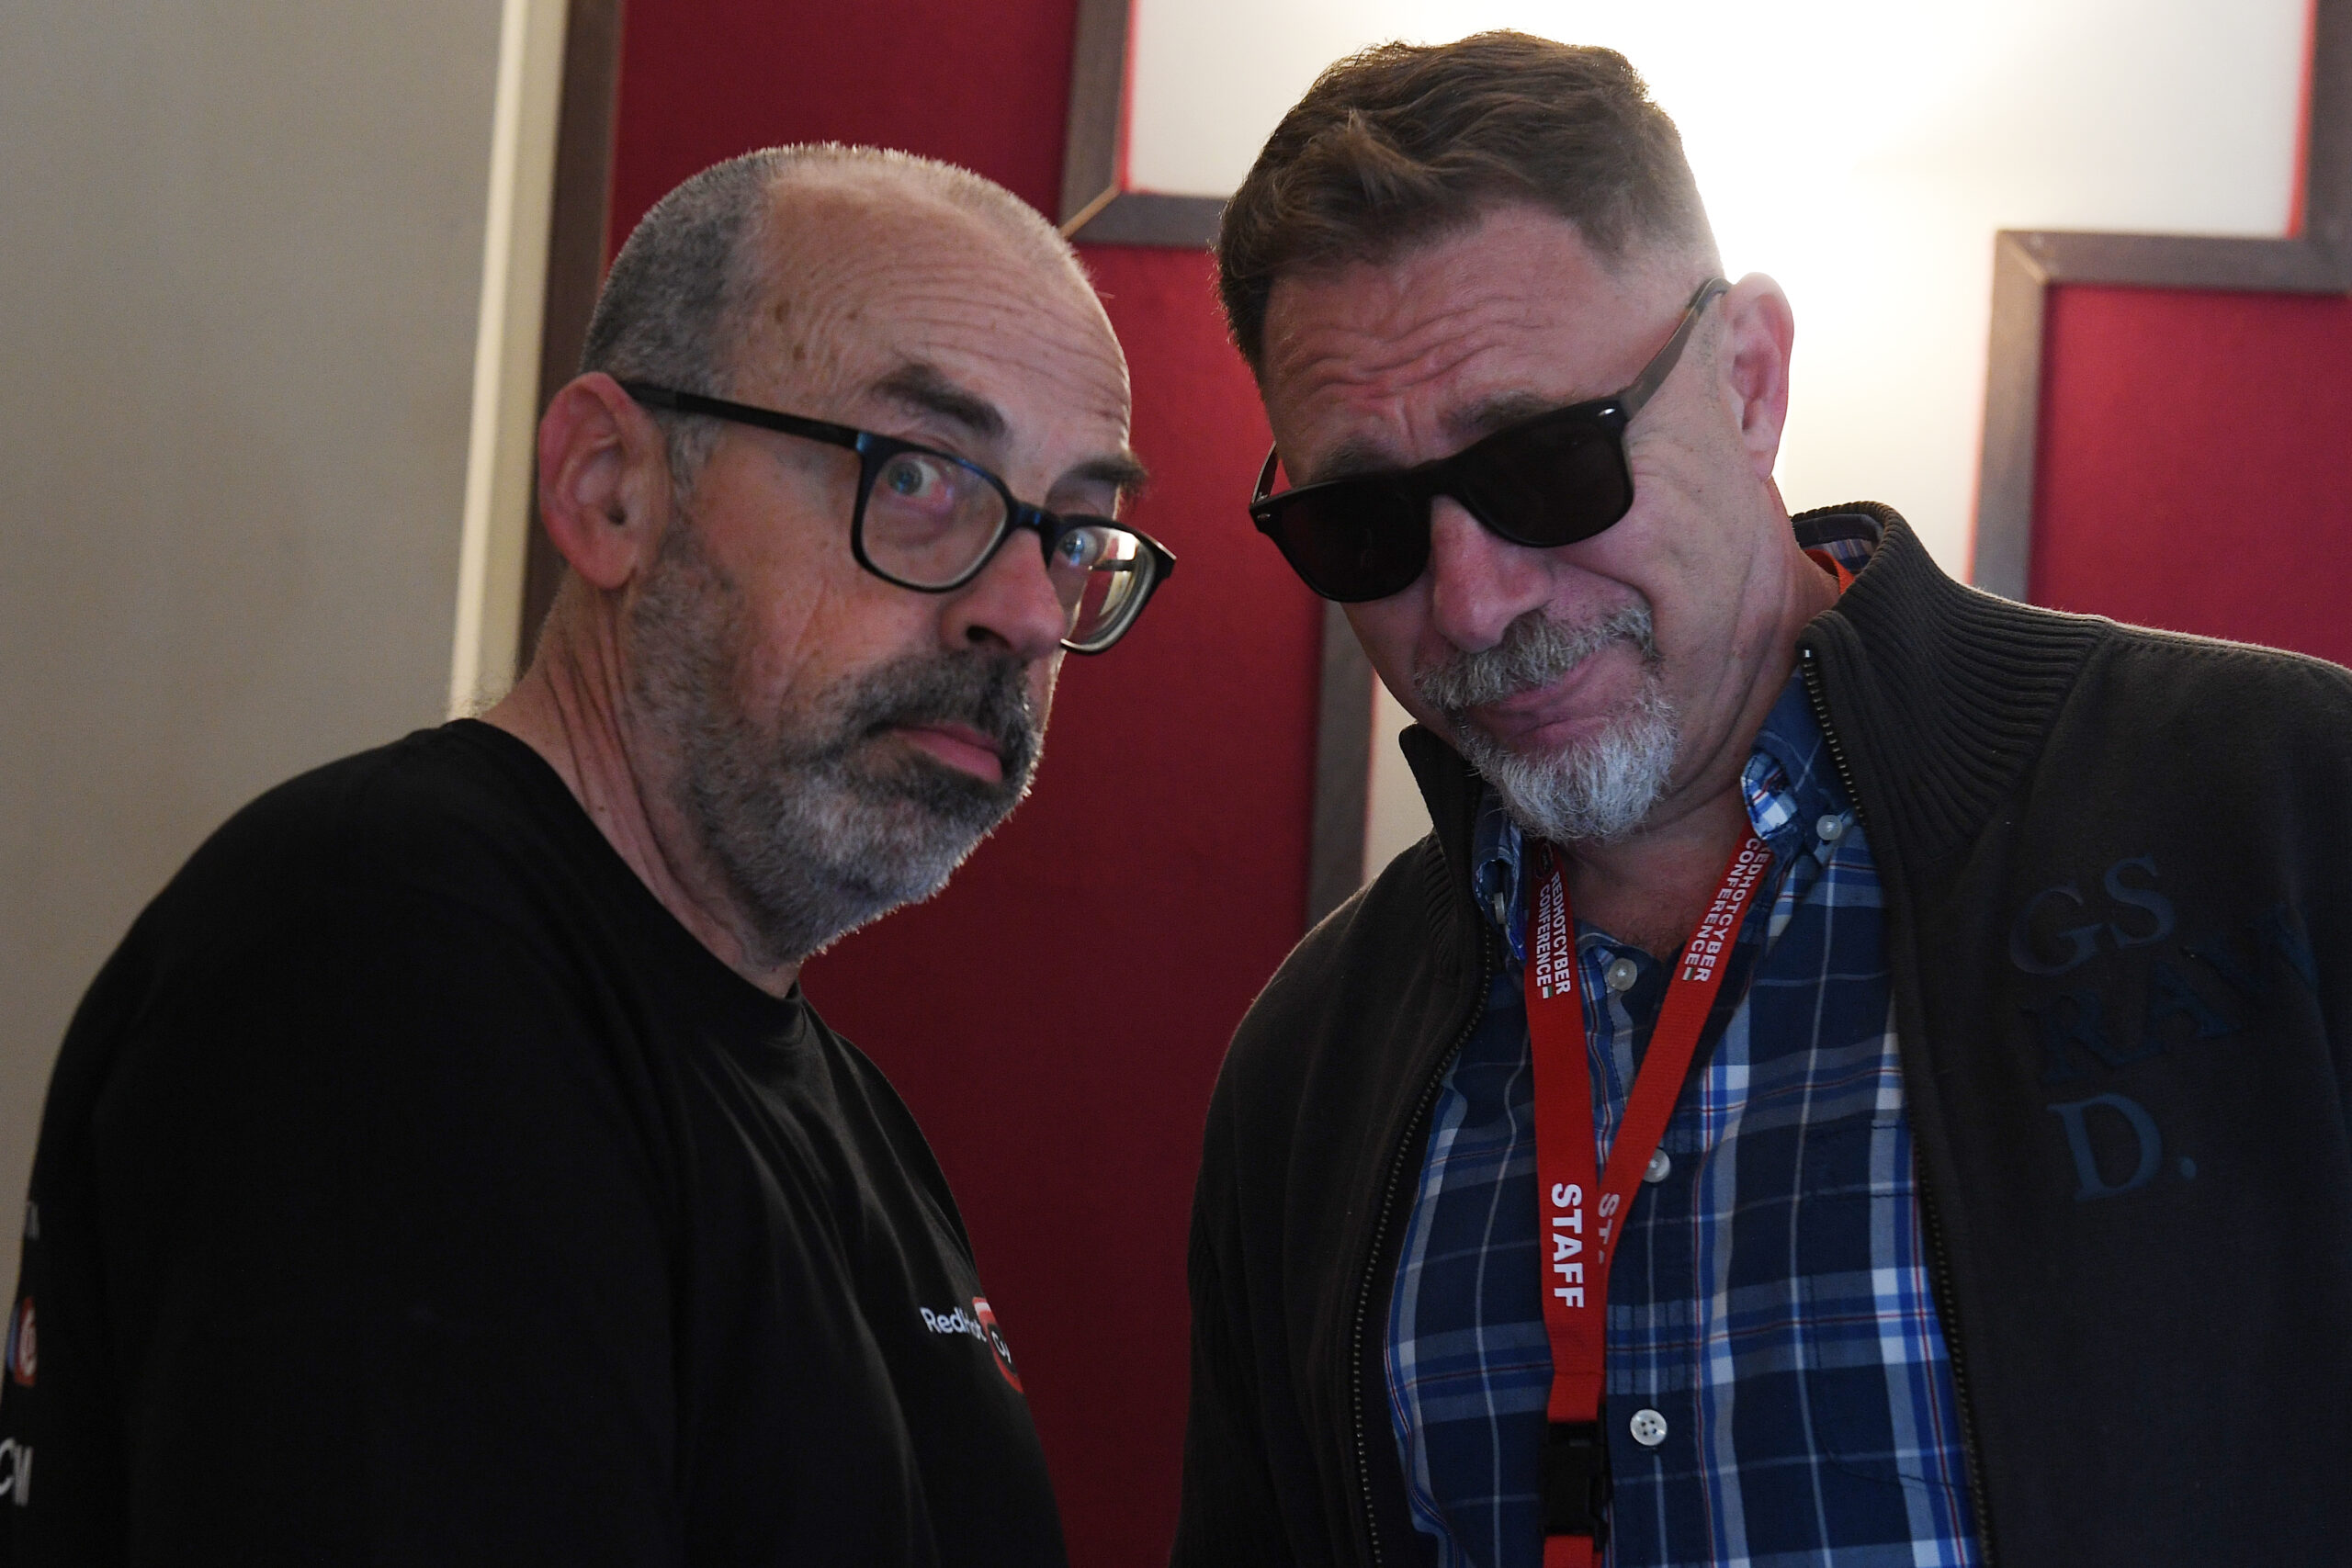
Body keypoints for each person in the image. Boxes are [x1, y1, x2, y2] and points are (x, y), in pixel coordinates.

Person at [1173, 31, 2351, 1568]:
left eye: (1544, 468)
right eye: (1361, 524)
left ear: (1749, 380)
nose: (1470, 602)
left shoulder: (2282, 810)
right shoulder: (1309, 1068)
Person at [0, 145, 1172, 1565]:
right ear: (610, 487)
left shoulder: (824, 1096)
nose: (1029, 615)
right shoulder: (388, 962)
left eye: (1076, 534)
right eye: (920, 473)